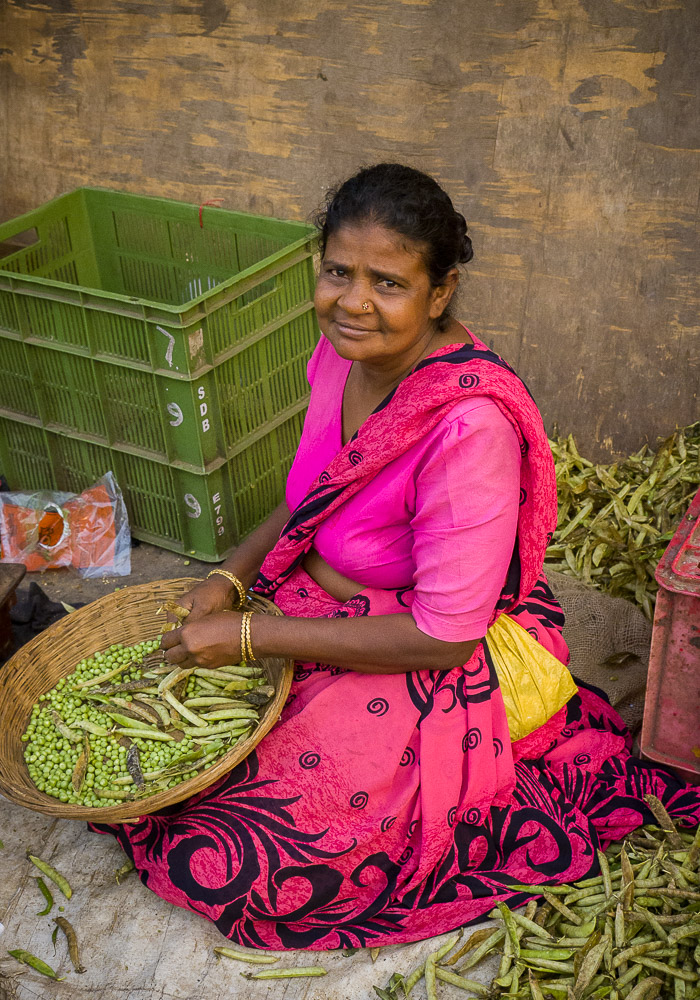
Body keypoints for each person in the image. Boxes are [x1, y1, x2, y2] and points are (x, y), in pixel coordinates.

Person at [90, 164, 700, 950]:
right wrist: (228, 577)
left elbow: (445, 637)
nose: (353, 301)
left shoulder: (466, 427)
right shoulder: (342, 353)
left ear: (440, 293)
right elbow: (310, 494)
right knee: (147, 744)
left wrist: (249, 636)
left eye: (388, 281)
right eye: (338, 272)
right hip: (308, 608)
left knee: (248, 856)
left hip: (414, 652)